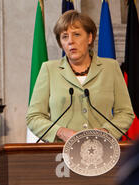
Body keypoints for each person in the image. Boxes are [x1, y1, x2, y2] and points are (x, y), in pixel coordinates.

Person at [26, 10, 134, 142]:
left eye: (76, 34)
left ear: (89, 38)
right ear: (61, 43)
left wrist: (106, 132)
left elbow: (125, 112)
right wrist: (61, 132)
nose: (70, 41)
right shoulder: (49, 70)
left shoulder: (110, 68)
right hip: (60, 153)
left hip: (103, 150)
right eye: (64, 37)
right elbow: (34, 116)